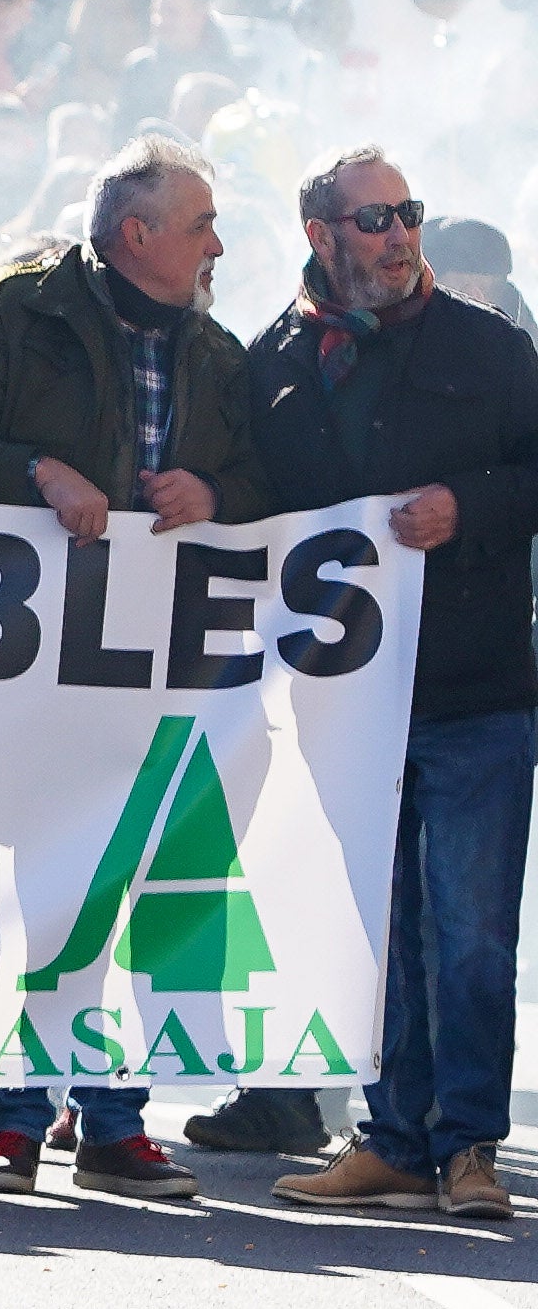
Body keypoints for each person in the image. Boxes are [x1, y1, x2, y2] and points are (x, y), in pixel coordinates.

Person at [0, 134, 267, 1198]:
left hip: (156, 662)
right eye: (199, 226)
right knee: (47, 887)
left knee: (130, 887)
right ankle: (14, 1118)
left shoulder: (214, 350)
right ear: (134, 233)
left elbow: (258, 476)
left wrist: (217, 492)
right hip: (24, 661)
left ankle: (108, 1123)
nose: (216, 245)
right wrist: (36, 472)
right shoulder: (18, 314)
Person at [252, 151, 538, 1218]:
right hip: (347, 701)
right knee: (373, 931)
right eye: (374, 217)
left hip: (474, 692)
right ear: (321, 232)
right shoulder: (277, 356)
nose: (400, 234)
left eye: (408, 212)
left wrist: (470, 504)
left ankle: (469, 1144)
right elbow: (254, 498)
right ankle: (392, 1136)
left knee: (469, 935)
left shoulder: (490, 344)